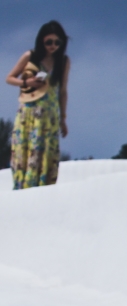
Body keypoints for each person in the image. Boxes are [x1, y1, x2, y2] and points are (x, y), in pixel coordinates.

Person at [9, 21, 68, 189]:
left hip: (49, 116)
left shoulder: (63, 62)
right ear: (41, 41)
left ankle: (42, 190)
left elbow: (63, 91)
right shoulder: (31, 56)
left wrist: (63, 118)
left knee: (45, 153)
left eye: (57, 42)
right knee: (25, 151)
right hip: (28, 112)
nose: (53, 46)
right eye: (49, 42)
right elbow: (10, 77)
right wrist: (27, 81)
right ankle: (23, 189)